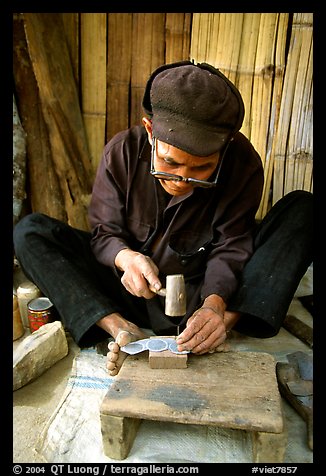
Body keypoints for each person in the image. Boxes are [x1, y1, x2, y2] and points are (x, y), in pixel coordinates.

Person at [13, 61, 313, 376]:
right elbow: (104, 234)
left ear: (224, 149)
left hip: (201, 291)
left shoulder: (242, 162)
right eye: (169, 162)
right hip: (129, 291)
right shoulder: (122, 152)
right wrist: (126, 258)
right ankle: (120, 328)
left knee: (304, 209)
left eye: (201, 169)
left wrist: (214, 304)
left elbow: (232, 245)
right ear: (150, 130)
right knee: (30, 232)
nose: (182, 180)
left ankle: (213, 326)